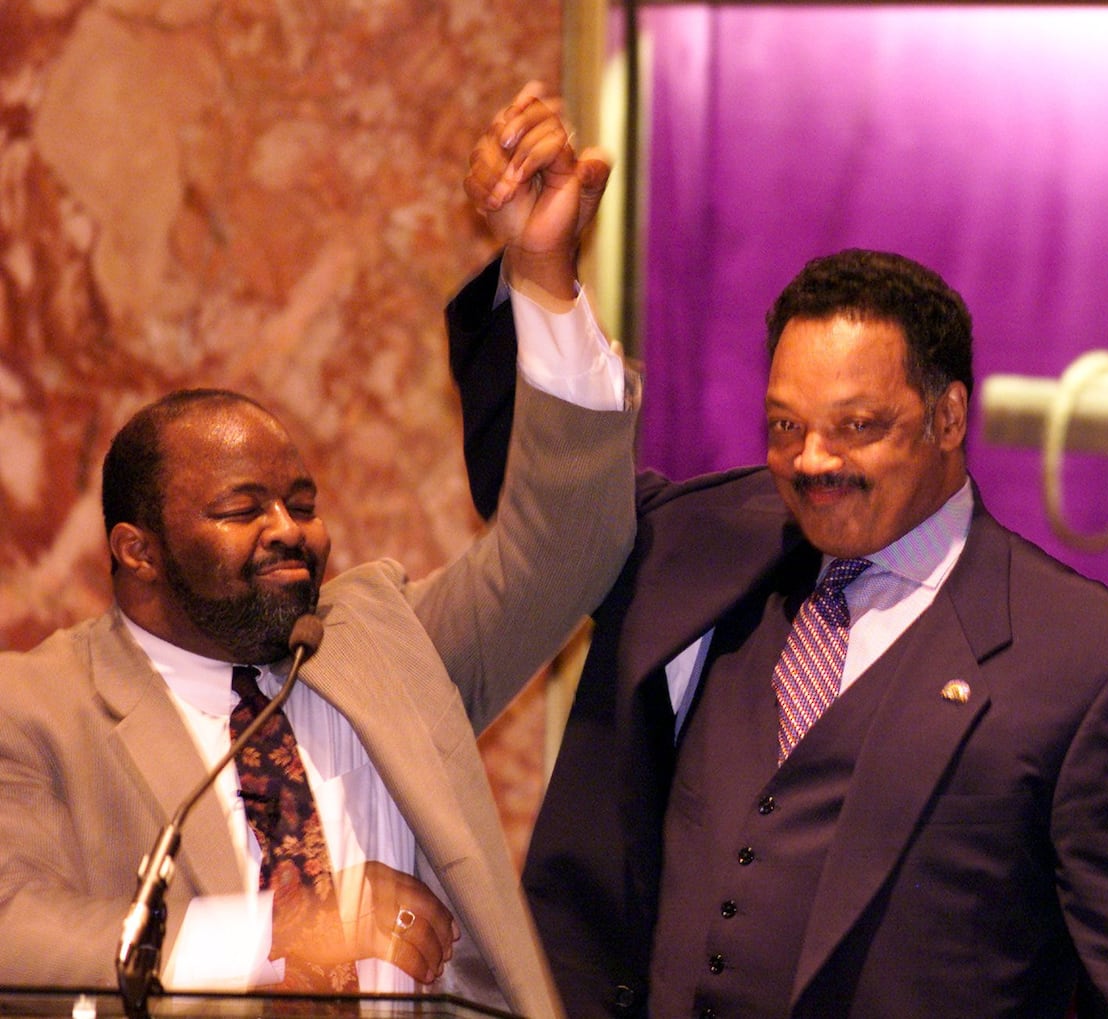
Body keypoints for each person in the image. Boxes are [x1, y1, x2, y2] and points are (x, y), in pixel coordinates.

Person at [450, 88, 1108, 1018]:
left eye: (856, 428)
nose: (813, 461)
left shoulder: (1089, 668)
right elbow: (550, 506)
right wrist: (542, 273)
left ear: (948, 417)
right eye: (787, 426)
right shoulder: (696, 544)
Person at [0, 89, 633, 1019]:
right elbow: (12, 929)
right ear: (136, 551)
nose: (290, 529)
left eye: (301, 502)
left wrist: (542, 275)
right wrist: (275, 934)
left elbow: (569, 549)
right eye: (241, 507)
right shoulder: (36, 707)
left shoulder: (383, 642)